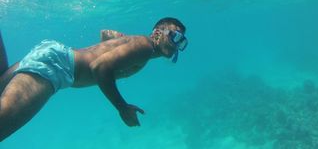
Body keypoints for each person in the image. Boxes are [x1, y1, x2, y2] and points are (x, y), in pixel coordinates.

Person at [0, 17, 188, 141]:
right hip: (56, 66)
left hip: (55, 56)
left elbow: (105, 33)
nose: (176, 44)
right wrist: (122, 107)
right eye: (174, 36)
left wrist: (114, 43)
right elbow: (99, 67)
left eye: (181, 41)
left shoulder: (140, 44)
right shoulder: (145, 47)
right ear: (156, 33)